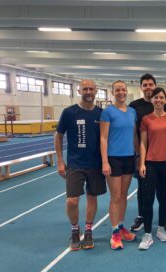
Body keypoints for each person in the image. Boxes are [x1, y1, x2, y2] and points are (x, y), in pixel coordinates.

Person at [54, 79, 107, 251]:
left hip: (95, 164)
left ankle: (89, 230)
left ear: (96, 90)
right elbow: (58, 136)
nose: (88, 91)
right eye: (85, 88)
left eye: (91, 88)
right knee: (72, 201)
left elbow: (106, 138)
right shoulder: (69, 112)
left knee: (92, 197)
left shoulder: (101, 113)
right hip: (75, 164)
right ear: (79, 90)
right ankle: (75, 229)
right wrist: (60, 161)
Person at [129, 73, 166, 232]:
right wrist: (139, 155)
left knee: (162, 189)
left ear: (155, 86)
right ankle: (142, 216)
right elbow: (134, 132)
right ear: (141, 88)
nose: (148, 87)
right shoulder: (134, 106)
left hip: (162, 155)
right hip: (142, 154)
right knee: (143, 188)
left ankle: (163, 218)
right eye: (145, 85)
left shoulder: (165, 105)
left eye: (150, 84)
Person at [138, 87, 166, 250]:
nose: (159, 100)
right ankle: (147, 234)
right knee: (148, 199)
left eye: (162, 97)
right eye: (156, 97)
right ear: (152, 99)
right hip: (151, 164)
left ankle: (161, 228)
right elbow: (143, 143)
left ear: (165, 100)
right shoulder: (146, 119)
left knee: (164, 198)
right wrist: (142, 163)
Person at [100, 80, 138, 250]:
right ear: (113, 92)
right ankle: (114, 233)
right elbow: (103, 138)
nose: (121, 92)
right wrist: (105, 161)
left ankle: (121, 227)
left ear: (126, 91)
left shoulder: (132, 112)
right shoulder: (107, 112)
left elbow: (135, 136)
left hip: (129, 157)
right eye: (117, 90)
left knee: (124, 195)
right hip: (114, 158)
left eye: (123, 89)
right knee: (115, 196)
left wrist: (138, 156)